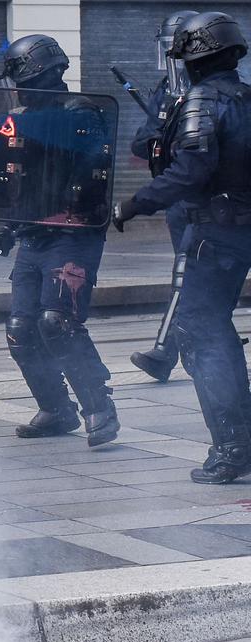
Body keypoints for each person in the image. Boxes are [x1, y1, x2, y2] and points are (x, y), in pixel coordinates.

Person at [114, 12, 251, 483]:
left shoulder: (202, 101)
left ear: (194, 60)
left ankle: (232, 448)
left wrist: (135, 204)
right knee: (217, 332)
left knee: (201, 334)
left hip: (214, 233)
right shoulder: (246, 98)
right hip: (237, 231)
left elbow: (190, 170)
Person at [0, 35, 120, 447]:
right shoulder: (20, 119)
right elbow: (18, 180)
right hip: (33, 234)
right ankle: (56, 408)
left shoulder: (82, 114)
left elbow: (92, 172)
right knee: (21, 327)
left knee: (57, 322)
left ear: (36, 73)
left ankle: (99, 406)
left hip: (72, 234)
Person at [129, 10, 199, 382]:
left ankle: (165, 351)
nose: (172, 59)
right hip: (176, 199)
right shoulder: (164, 92)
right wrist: (161, 133)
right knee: (193, 277)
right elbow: (140, 142)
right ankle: (178, 349)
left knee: (187, 273)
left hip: (209, 199)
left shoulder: (224, 91)